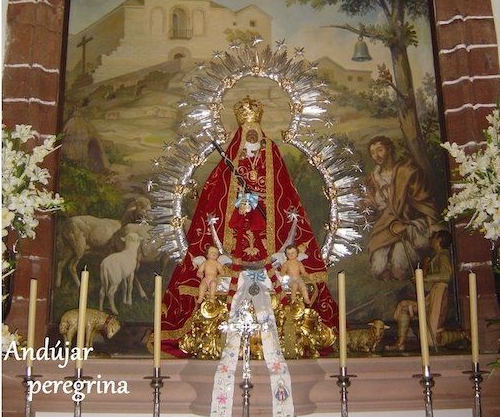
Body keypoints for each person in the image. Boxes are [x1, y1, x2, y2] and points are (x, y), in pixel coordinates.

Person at [160, 96, 338, 354]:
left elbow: (284, 192)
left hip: (269, 238)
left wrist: (262, 203)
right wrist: (238, 203)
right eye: (247, 132)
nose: (252, 136)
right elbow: (216, 198)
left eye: (255, 131)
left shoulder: (272, 154)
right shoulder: (229, 163)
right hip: (234, 233)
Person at [364, 135, 439, 281]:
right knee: (378, 267)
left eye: (380, 150)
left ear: (389, 148)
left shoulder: (408, 172)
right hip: (386, 226)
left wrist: (430, 225)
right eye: (373, 153)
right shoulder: (373, 179)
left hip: (411, 225)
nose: (376, 156)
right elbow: (374, 206)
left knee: (399, 268)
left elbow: (424, 200)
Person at [389, 230, 454, 350]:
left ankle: (463, 334)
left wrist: (424, 278)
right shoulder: (434, 257)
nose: (431, 239)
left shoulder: (443, 255)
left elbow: (446, 275)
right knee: (404, 307)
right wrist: (420, 278)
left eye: (434, 237)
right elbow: (428, 282)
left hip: (439, 295)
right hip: (430, 296)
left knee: (431, 340)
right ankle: (400, 343)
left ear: (439, 240)